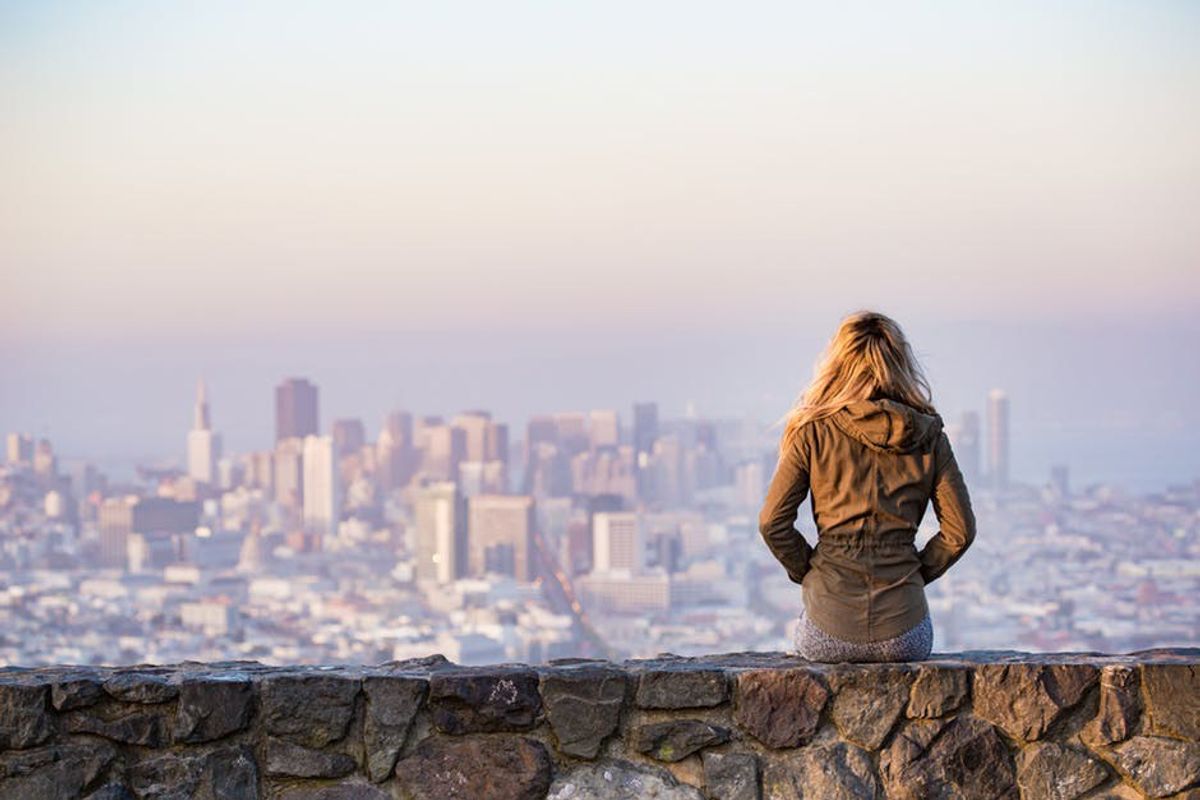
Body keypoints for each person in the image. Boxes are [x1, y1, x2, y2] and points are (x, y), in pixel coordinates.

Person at [758, 309, 976, 662]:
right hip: (906, 634)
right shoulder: (930, 436)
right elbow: (960, 531)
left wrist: (811, 571)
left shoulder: (812, 432)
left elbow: (772, 523)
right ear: (901, 363)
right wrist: (914, 573)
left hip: (827, 628)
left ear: (838, 364)